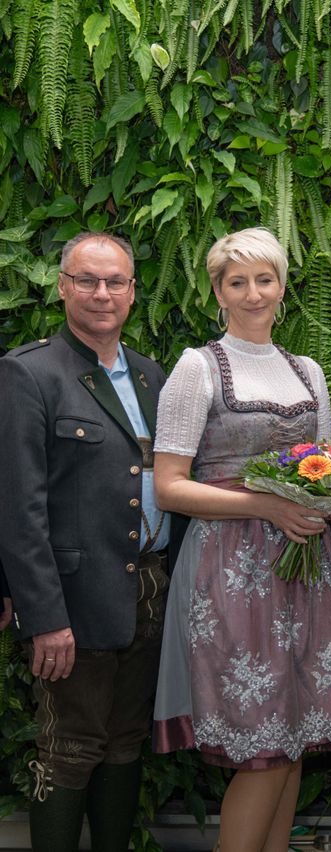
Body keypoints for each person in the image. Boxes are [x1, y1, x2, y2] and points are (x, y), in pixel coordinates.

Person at [152, 227, 331, 852]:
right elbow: (169, 487)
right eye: (236, 282)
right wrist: (267, 505)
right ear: (217, 291)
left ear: (282, 287)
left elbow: (326, 464)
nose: (252, 293)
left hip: (305, 566)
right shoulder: (197, 368)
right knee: (262, 751)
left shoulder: (308, 371)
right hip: (230, 570)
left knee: (292, 740)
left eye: (263, 279)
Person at [0, 232, 172, 852]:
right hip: (74, 597)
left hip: (151, 587)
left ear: (132, 291)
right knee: (69, 744)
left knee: (124, 742)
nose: (102, 293)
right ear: (63, 286)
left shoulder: (153, 376)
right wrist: (44, 617)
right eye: (88, 280)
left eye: (116, 282)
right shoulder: (29, 373)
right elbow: (17, 507)